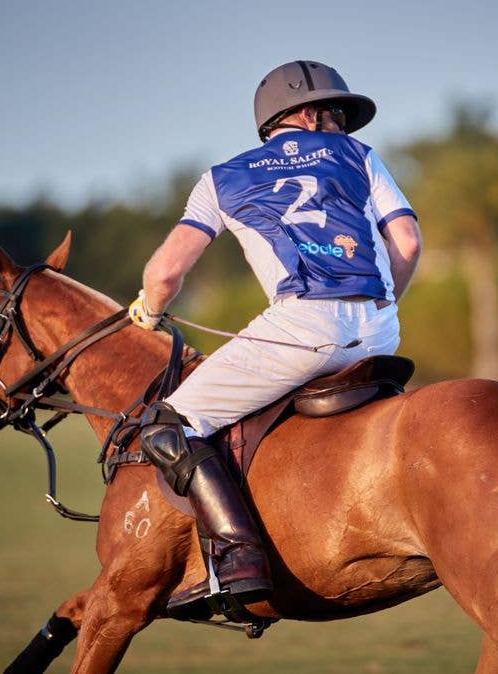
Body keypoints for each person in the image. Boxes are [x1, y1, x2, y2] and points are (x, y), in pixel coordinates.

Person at [128, 60, 422, 620]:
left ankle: (236, 560)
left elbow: (165, 273)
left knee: (168, 423)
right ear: (307, 114)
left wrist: (149, 312)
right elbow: (405, 240)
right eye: (336, 114)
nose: (341, 126)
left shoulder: (221, 178)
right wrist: (378, 311)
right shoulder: (361, 158)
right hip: (382, 327)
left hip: (301, 328)